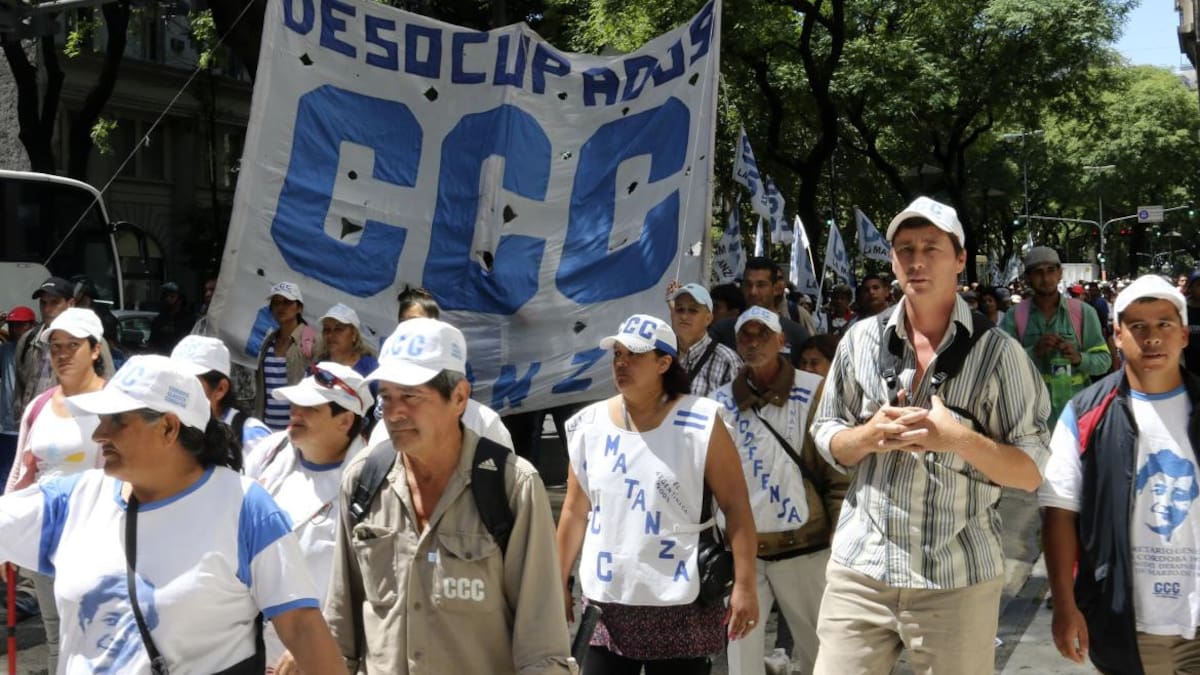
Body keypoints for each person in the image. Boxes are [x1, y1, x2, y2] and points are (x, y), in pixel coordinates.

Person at [810, 196, 1051, 675]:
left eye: (931, 248)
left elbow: (1031, 471)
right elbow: (826, 432)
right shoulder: (859, 340)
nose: (916, 261)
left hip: (955, 577)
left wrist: (956, 438)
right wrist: (867, 437)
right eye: (904, 250)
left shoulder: (1000, 355)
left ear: (960, 259)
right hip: (861, 568)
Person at [0, 354, 346, 674]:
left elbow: (301, 626)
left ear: (168, 427)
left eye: (116, 420)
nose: (98, 434)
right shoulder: (74, 498)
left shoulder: (243, 507)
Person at [323, 318, 574, 674]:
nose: (394, 413)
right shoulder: (364, 481)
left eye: (410, 396)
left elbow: (543, 652)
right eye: (386, 397)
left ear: (459, 397)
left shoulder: (511, 487)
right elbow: (339, 631)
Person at [557, 313, 759, 674]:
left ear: (664, 362)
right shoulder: (588, 426)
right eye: (617, 354)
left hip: (681, 602)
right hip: (608, 604)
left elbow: (736, 505)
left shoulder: (701, 422)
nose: (621, 363)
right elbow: (575, 511)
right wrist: (559, 580)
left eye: (634, 355)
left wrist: (745, 584)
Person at [1040, 275, 1200, 674]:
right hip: (1129, 624)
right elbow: (1059, 513)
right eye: (1138, 326)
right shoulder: (1085, 413)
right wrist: (1065, 606)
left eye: (1164, 324)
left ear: (1183, 334)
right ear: (1116, 335)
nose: (1152, 337)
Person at [712, 307, 849, 675]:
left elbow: (835, 472)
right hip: (744, 556)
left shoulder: (814, 390)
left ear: (781, 341)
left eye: (762, 334)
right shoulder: (718, 402)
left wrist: (840, 528)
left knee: (822, 655)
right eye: (745, 335)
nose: (753, 342)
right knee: (742, 660)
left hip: (806, 549)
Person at [246, 361, 371, 671]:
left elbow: (369, 587)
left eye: (310, 407)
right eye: (295, 403)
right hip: (250, 645)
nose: (294, 412)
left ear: (344, 420)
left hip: (318, 654)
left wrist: (320, 644)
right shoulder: (268, 455)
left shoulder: (372, 481)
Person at [3, 308, 107, 674]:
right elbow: (20, 472)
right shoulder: (40, 406)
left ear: (95, 350)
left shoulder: (118, 404)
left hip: (101, 541)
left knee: (96, 636)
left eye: (73, 345)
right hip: (45, 539)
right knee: (56, 637)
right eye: (56, 346)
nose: (61, 353)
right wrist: (7, 537)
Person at [1000, 246, 1110, 428]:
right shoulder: (1015, 316)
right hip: (1030, 418)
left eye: (1051, 270)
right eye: (1038, 272)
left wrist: (1079, 358)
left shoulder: (1083, 313)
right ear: (1027, 278)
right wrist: (1034, 352)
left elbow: (1104, 361)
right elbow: (1001, 365)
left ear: (1060, 273)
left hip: (1076, 415)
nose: (1045, 278)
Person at [171, 335, 271, 457]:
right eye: (174, 379)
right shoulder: (168, 429)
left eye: (189, 382)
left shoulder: (253, 437)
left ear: (220, 389)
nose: (178, 388)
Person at [710, 257, 812, 368]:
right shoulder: (722, 330)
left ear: (775, 288)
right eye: (748, 284)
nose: (753, 292)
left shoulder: (797, 334)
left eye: (761, 285)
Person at [255, 281, 316, 431]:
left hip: (298, 428)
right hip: (268, 427)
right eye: (276, 303)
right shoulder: (268, 342)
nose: (281, 307)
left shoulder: (310, 337)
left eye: (287, 302)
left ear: (299, 307)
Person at [668, 283, 742, 397]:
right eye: (679, 309)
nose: (684, 316)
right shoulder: (660, 354)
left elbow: (738, 411)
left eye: (692, 310)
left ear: (708, 318)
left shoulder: (727, 360)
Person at [316, 303, 379, 379]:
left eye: (338, 329)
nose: (330, 335)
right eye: (326, 330)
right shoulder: (317, 367)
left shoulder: (370, 367)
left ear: (354, 335)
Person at [148, 282, 194, 355]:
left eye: (172, 296)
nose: (168, 299)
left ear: (180, 299)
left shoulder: (189, 320)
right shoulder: (158, 320)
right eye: (166, 296)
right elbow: (152, 344)